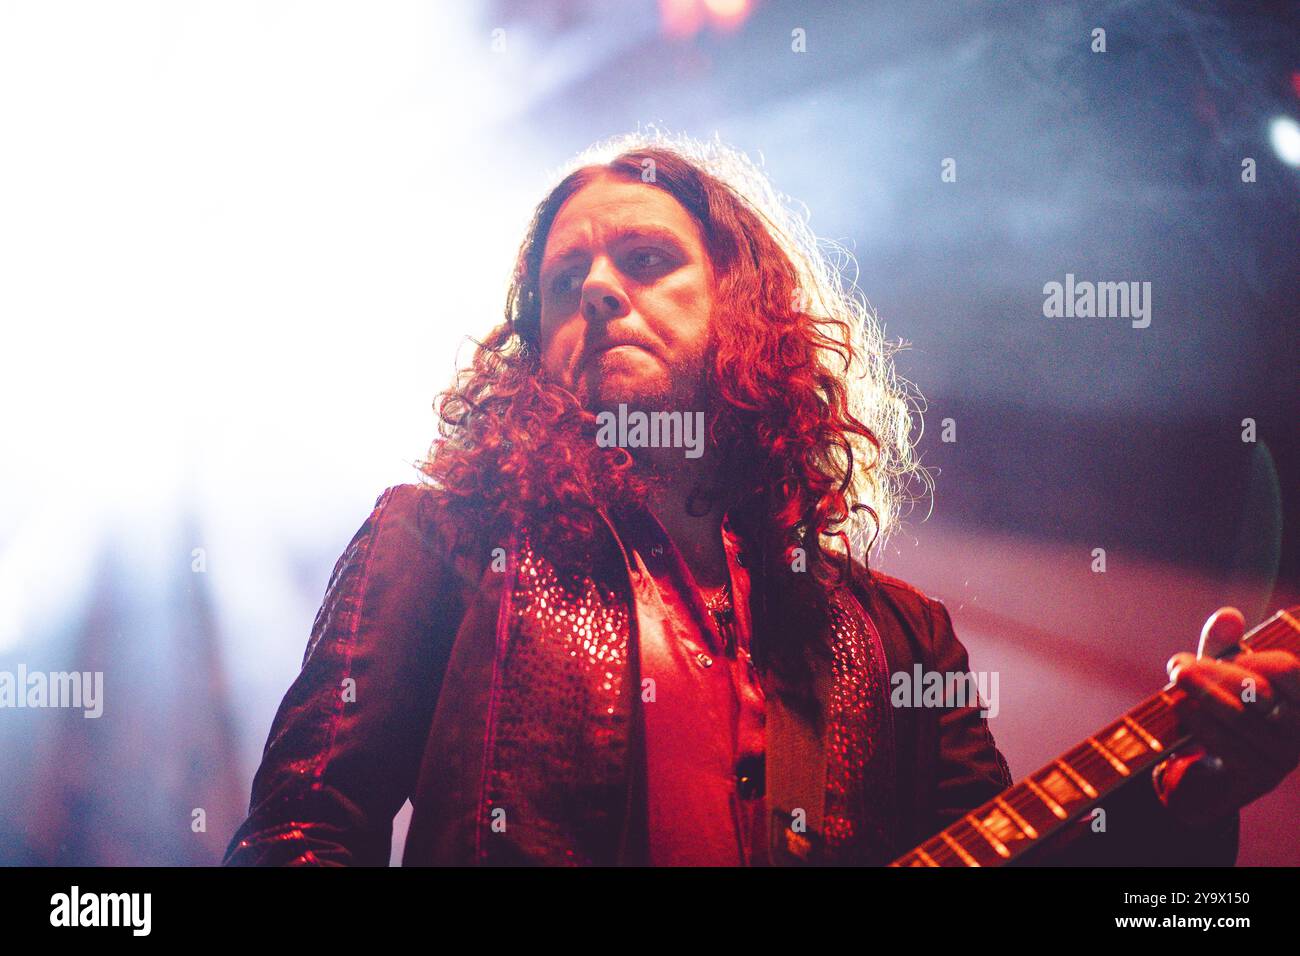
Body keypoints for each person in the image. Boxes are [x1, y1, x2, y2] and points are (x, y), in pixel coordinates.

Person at [223, 132, 1299, 866]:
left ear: (743, 305)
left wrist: (1185, 799)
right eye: (566, 281)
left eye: (644, 258)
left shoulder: (896, 638)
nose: (599, 289)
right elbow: (302, 831)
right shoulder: (439, 539)